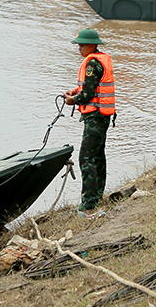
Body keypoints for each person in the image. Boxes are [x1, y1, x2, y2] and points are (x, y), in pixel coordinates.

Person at [62, 29, 115, 215]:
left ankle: (89, 202)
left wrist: (72, 100)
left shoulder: (92, 63)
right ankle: (97, 195)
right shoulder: (101, 59)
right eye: (78, 44)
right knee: (98, 155)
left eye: (82, 44)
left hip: (95, 116)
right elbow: (89, 87)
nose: (79, 47)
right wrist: (76, 90)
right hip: (102, 116)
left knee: (86, 157)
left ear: (93, 45)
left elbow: (88, 94)